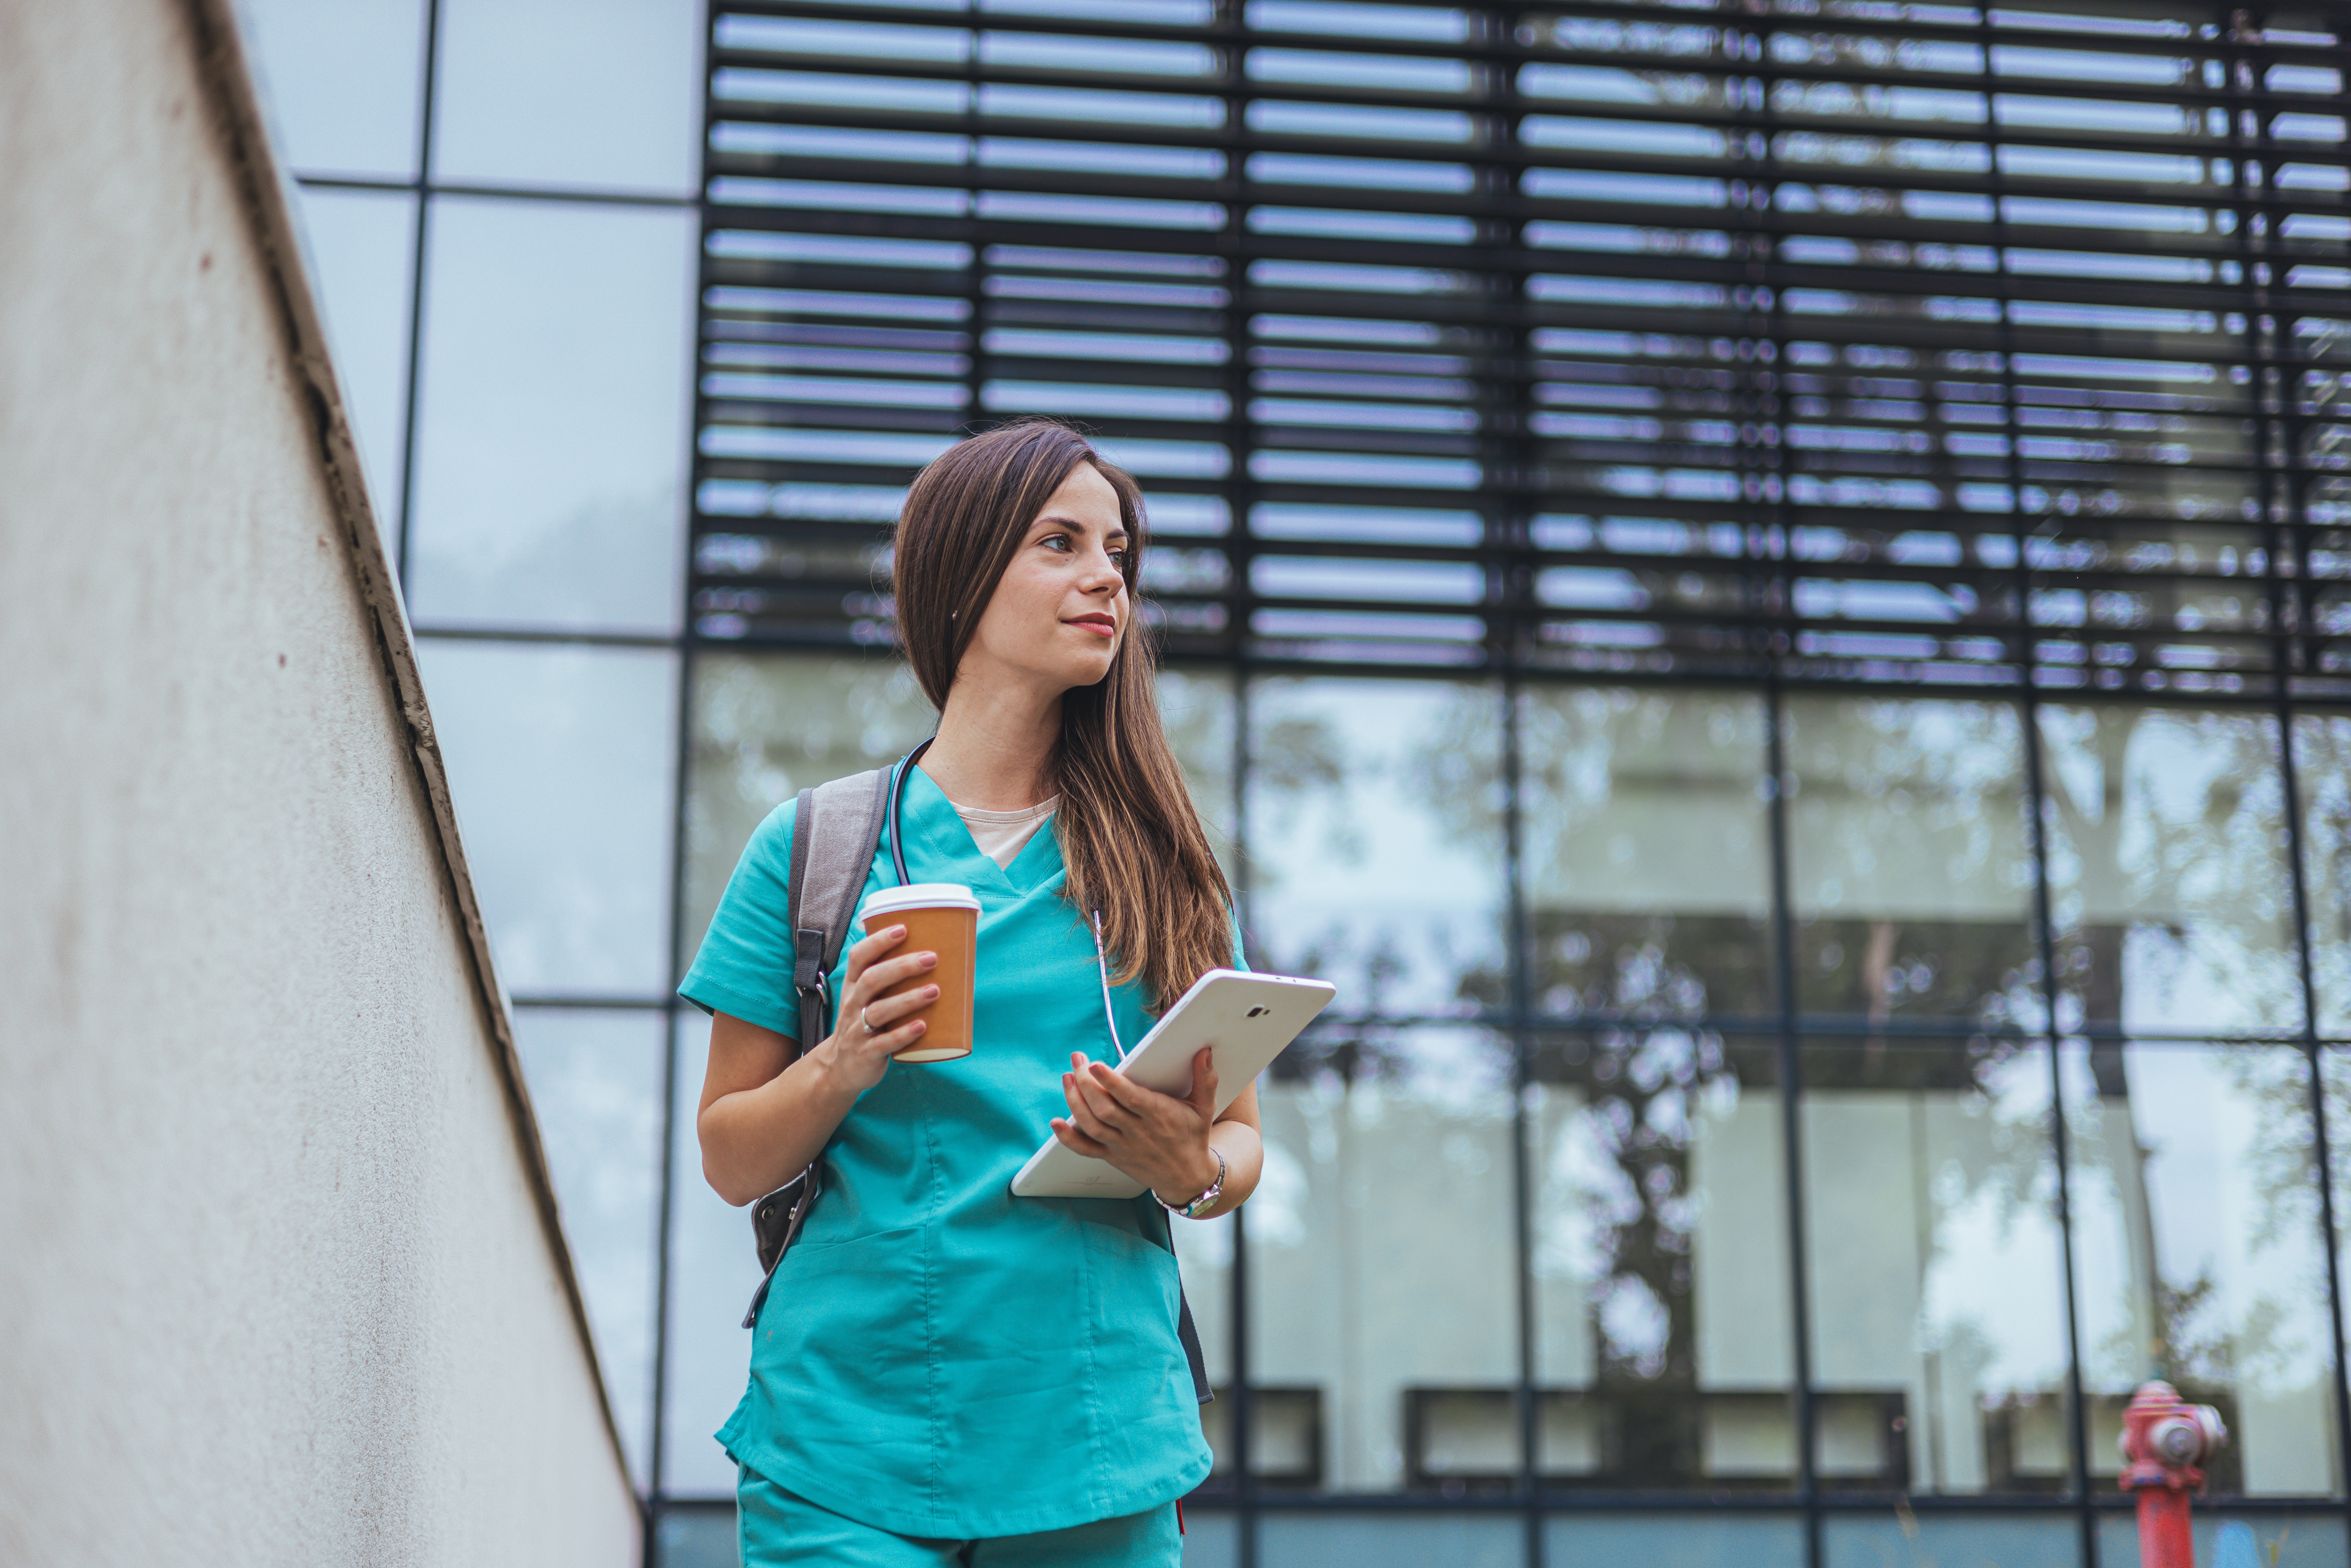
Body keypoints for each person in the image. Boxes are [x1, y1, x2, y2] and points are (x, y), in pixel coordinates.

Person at [682, 418, 1262, 1566]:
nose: (1107, 577)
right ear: (962, 573)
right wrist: (845, 1056)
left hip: (1096, 1442)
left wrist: (1189, 1171)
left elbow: (1238, 1145)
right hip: (846, 1440)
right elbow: (732, 1158)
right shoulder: (813, 849)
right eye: (1060, 543)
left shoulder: (1163, 870)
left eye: (1118, 553)